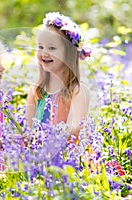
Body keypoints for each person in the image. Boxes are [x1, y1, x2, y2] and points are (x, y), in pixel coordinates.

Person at [26, 12, 91, 140]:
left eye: (51, 48)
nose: (44, 53)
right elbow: (28, 129)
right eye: (40, 47)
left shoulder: (76, 91)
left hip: (67, 155)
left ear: (69, 54)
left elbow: (76, 129)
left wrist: (49, 137)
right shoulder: (36, 91)